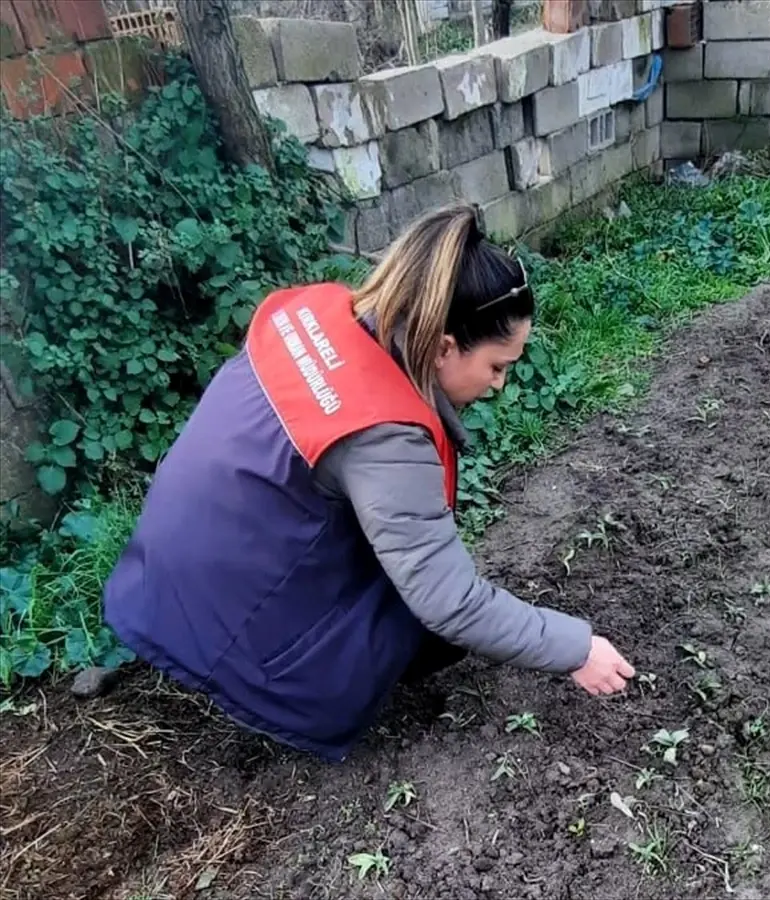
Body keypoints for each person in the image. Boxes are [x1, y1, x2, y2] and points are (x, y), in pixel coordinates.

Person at [103, 204, 635, 763]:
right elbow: (449, 600)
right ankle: (280, 690)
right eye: (497, 367)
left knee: (401, 558)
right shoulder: (385, 435)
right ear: (444, 347)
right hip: (224, 630)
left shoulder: (321, 312)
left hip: (158, 579)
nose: (500, 386)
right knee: (410, 597)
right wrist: (577, 649)